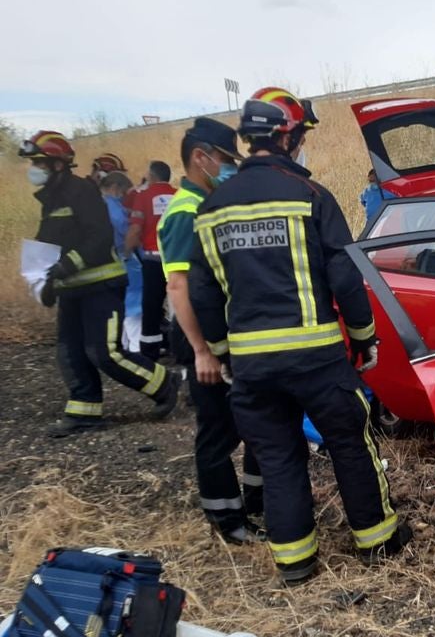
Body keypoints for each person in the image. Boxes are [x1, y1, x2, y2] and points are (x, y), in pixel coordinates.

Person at [189, 87, 410, 584]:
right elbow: (346, 276)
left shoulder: (213, 208)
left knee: (279, 457)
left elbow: (204, 294)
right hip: (316, 357)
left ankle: (294, 562)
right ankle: (376, 542)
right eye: (302, 134)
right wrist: (364, 337)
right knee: (351, 443)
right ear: (287, 136)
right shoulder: (310, 195)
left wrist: (223, 354)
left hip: (252, 367)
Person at [19, 131, 178, 436]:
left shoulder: (81, 192)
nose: (33, 169)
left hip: (100, 287)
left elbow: (99, 236)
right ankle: (84, 410)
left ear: (58, 165)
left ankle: (162, 383)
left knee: (105, 352)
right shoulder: (50, 200)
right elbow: (50, 241)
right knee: (71, 352)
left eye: (39, 162)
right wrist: (42, 276)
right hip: (71, 289)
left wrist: (66, 265)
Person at [158, 119, 264, 545]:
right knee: (218, 430)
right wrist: (203, 351)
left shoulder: (207, 204)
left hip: (225, 337)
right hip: (203, 341)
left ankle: (258, 502)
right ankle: (227, 521)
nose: (230, 169)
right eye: (225, 160)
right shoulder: (186, 211)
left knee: (254, 421)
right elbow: (179, 285)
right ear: (200, 157)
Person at [127, 160, 176, 360]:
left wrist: (126, 251)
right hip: (176, 260)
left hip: (153, 260)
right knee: (180, 305)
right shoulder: (178, 195)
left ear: (152, 176)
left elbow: (135, 228)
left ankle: (150, 351)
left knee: (152, 306)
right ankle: (180, 347)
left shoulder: (143, 197)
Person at [96, 166, 144, 349]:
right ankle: (137, 352)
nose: (125, 197)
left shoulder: (100, 205)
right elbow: (127, 232)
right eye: (124, 192)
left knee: (122, 314)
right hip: (126, 262)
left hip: (114, 265)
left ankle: (124, 351)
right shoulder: (113, 208)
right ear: (116, 187)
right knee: (134, 314)